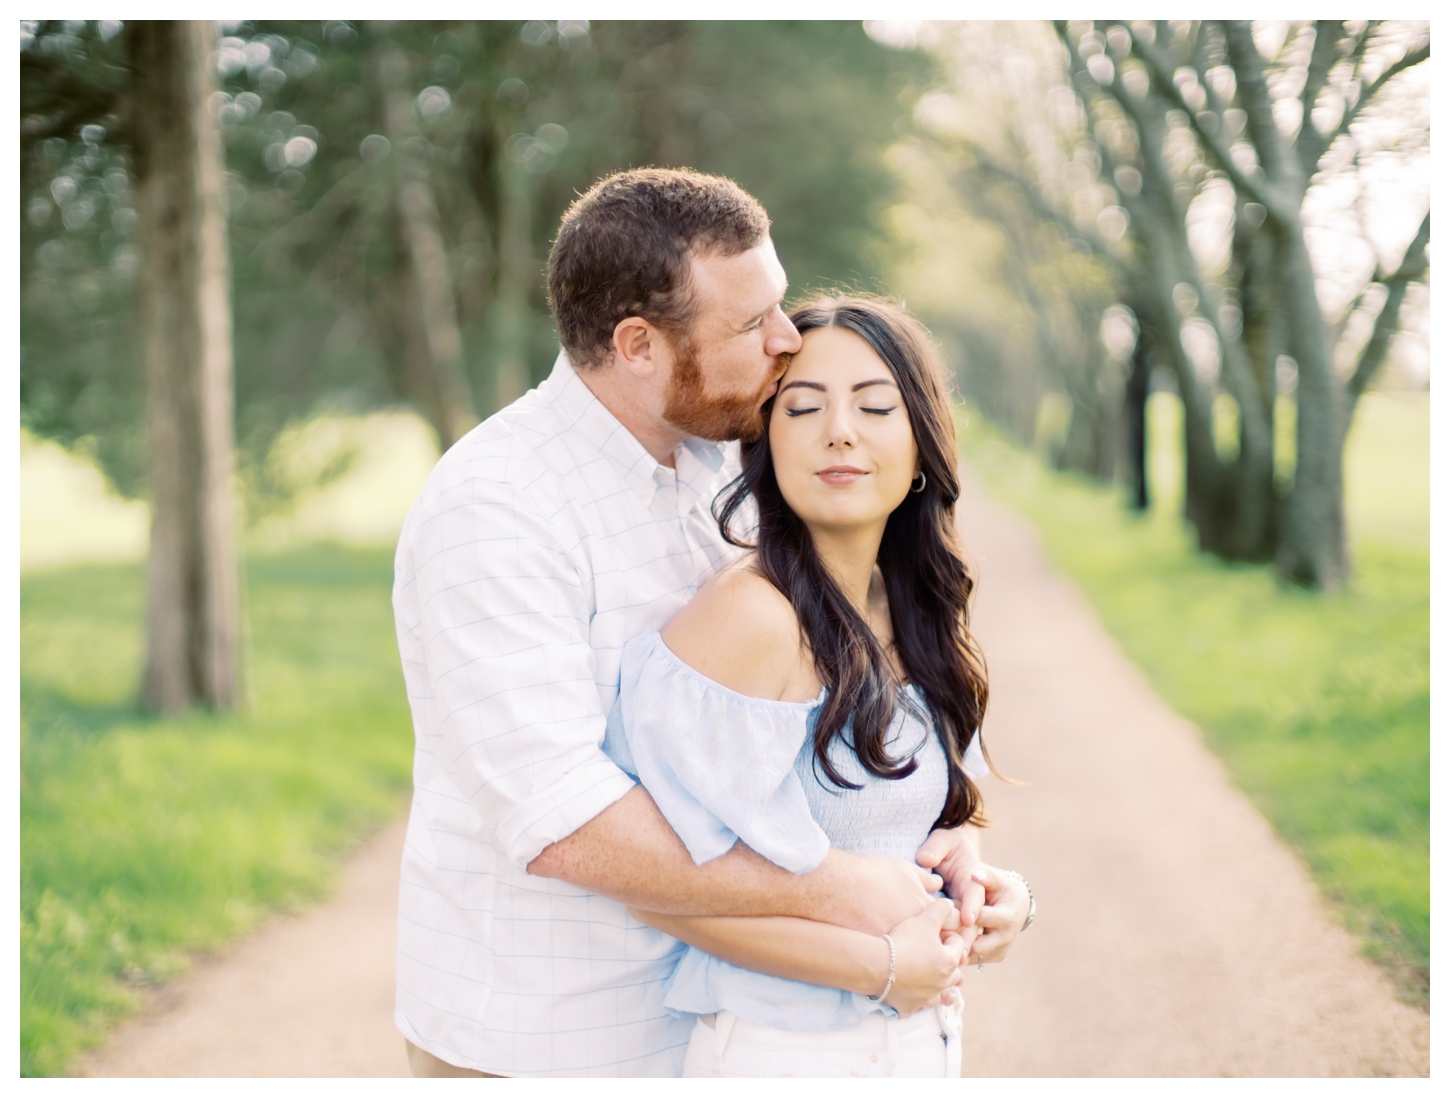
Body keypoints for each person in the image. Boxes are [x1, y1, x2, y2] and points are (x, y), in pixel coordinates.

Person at [391, 168, 1031, 1078]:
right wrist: (853, 897)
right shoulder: (497, 506)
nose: (784, 341)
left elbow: (805, 741)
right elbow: (562, 818)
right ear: (639, 345)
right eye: (750, 323)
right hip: (548, 1036)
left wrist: (938, 855)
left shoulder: (723, 458)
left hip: (716, 1021)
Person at [603, 294, 1019, 1077]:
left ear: (923, 442)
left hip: (915, 1047)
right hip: (783, 1055)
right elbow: (660, 891)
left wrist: (992, 891)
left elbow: (900, 822)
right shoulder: (756, 618)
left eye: (874, 406)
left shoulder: (913, 609)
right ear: (765, 442)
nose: (840, 431)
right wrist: (882, 970)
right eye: (802, 408)